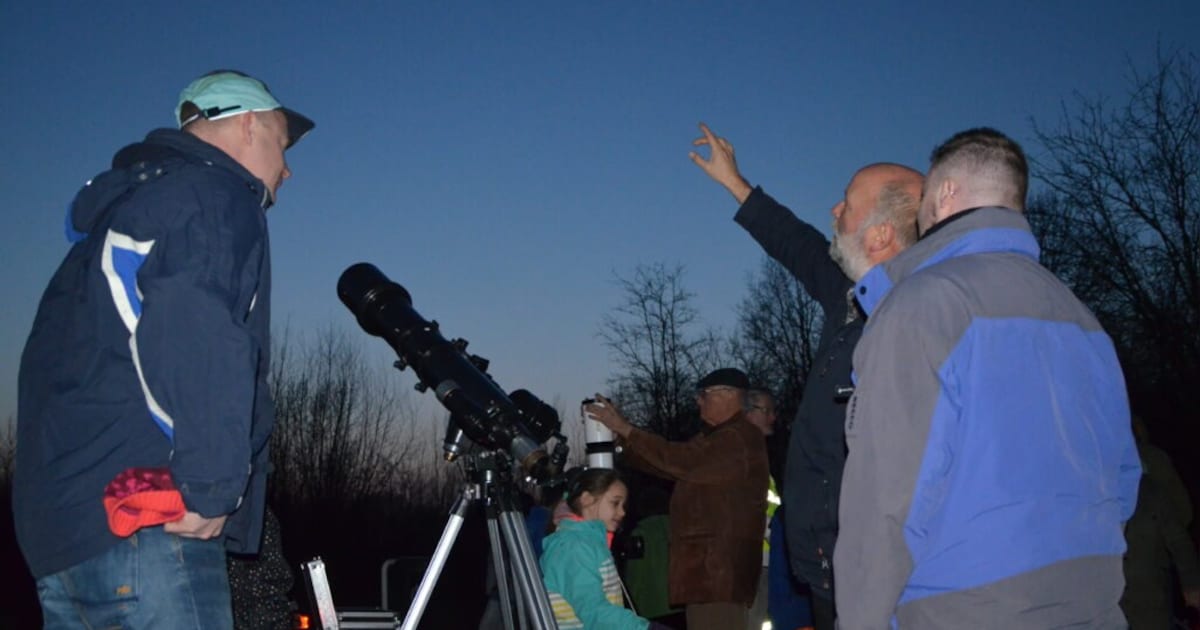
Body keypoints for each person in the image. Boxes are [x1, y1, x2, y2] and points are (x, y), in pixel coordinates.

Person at [14, 69, 312, 629]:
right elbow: (195, 325)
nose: (288, 168)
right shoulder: (214, 195)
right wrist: (212, 487)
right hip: (149, 526)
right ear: (246, 124)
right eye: (280, 141)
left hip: (67, 533)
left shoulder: (130, 211)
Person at [835, 127, 1141, 628]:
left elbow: (885, 502)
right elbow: (1123, 477)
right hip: (1092, 605)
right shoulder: (1084, 320)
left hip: (960, 609)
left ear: (947, 192)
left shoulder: (923, 304)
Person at [690, 123, 923, 629]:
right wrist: (737, 185)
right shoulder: (847, 293)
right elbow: (797, 243)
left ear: (881, 233)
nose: (835, 211)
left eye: (847, 204)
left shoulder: (921, 316)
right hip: (825, 565)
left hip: (883, 576)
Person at [587, 368, 769, 630]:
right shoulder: (717, 439)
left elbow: (680, 460)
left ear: (729, 395)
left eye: (704, 394)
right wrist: (623, 440)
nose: (698, 400)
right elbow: (666, 464)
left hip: (718, 576)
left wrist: (627, 429)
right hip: (710, 577)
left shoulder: (738, 437)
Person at [539, 468, 658, 629]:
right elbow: (593, 610)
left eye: (623, 505)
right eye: (615, 503)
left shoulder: (589, 544)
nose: (622, 512)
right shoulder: (573, 547)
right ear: (587, 499)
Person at [1121, 418, 1200, 628]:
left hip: (1151, 578)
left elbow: (1181, 521)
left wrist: (1190, 581)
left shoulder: (1153, 469)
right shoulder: (1096, 475)